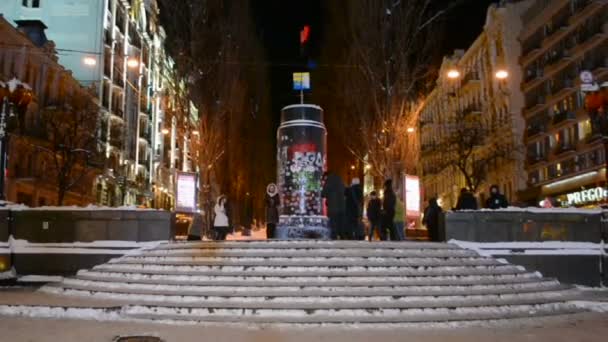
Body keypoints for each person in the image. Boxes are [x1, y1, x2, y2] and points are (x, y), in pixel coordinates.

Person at [321, 172, 346, 239]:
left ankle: (334, 238)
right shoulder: (340, 180)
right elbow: (344, 191)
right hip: (341, 207)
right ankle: (342, 236)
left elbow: (323, 194)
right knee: (340, 223)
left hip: (333, 207)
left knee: (333, 224)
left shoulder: (329, 181)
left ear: (326, 177)